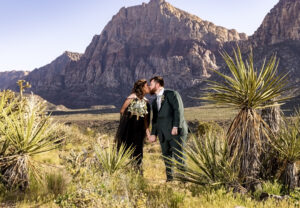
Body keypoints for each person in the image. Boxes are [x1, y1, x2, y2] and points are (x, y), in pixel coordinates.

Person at [148, 76, 188, 182]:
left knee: (179, 156)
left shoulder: (172, 94)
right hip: (163, 134)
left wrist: (176, 126)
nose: (149, 86)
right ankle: (170, 179)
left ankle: (184, 181)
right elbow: (155, 119)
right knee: (166, 157)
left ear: (157, 85)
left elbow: (178, 110)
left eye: (151, 84)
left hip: (176, 132)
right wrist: (153, 134)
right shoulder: (154, 102)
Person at [115, 79, 151, 172]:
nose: (149, 87)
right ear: (142, 87)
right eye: (147, 85)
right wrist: (131, 115)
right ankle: (125, 171)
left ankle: (137, 171)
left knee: (138, 151)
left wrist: (148, 133)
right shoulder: (131, 98)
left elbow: (146, 120)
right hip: (129, 129)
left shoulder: (146, 102)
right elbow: (122, 111)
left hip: (140, 130)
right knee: (127, 149)